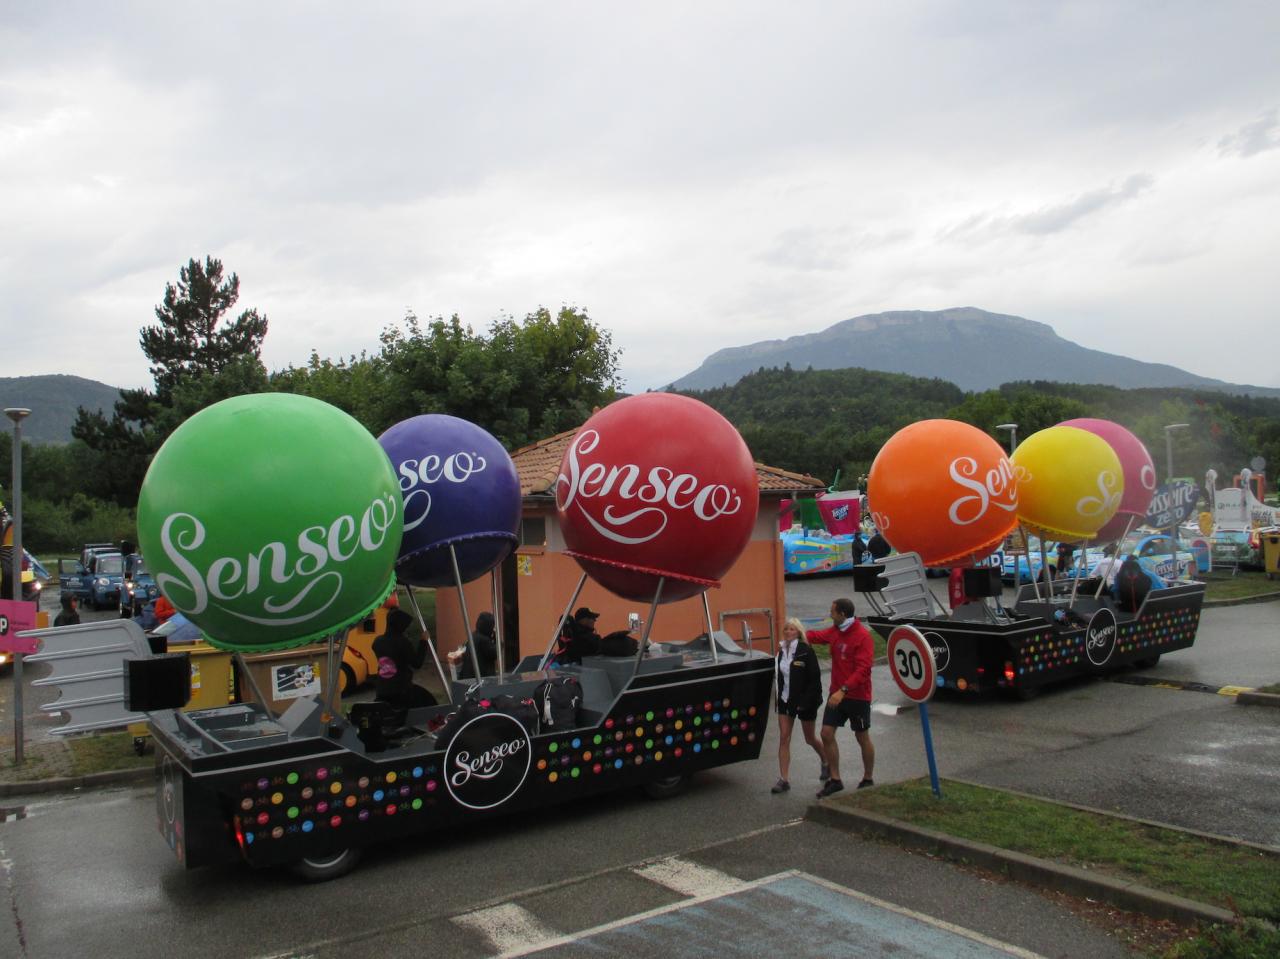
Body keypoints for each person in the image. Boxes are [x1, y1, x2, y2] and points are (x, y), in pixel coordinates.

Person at [806, 597, 875, 797]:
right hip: (836, 694)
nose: (830, 614)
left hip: (857, 696)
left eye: (832, 611)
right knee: (826, 733)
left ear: (842, 614)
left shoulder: (862, 636)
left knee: (862, 736)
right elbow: (817, 636)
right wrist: (797, 633)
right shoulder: (835, 631)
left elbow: (863, 670)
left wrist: (843, 690)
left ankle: (868, 777)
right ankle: (835, 779)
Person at [771, 618, 828, 794]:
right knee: (784, 737)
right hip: (785, 700)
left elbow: (814, 680)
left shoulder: (805, 651)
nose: (788, 632)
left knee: (809, 738)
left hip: (804, 702)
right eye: (786, 629)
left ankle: (826, 760)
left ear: (799, 632)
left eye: (792, 629)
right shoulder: (781, 652)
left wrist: (806, 702)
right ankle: (784, 779)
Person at [373, 608, 438, 711]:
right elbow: (417, 663)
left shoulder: (377, 641)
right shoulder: (402, 642)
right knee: (429, 702)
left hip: (382, 689)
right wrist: (423, 642)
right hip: (401, 690)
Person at [455, 611, 498, 679]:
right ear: (489, 626)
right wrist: (496, 639)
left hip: (468, 676)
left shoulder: (473, 635)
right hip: (481, 677)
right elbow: (495, 653)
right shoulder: (484, 640)